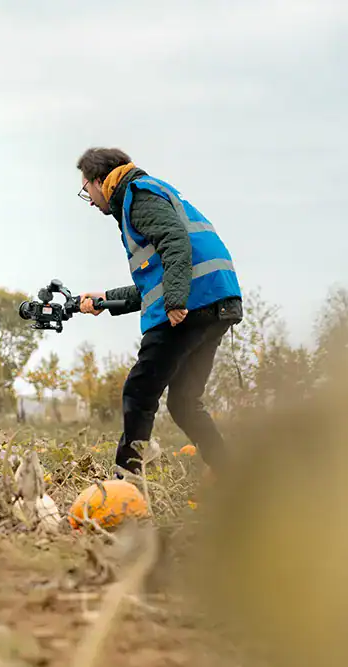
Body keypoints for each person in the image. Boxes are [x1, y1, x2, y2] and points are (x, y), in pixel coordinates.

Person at [75, 147, 243, 476]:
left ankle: (126, 483)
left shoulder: (137, 196)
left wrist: (177, 301)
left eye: (87, 191)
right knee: (183, 403)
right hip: (216, 301)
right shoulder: (149, 193)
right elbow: (156, 283)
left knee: (139, 391)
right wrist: (105, 300)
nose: (91, 201)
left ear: (99, 181)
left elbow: (174, 241)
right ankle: (232, 477)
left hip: (192, 305)